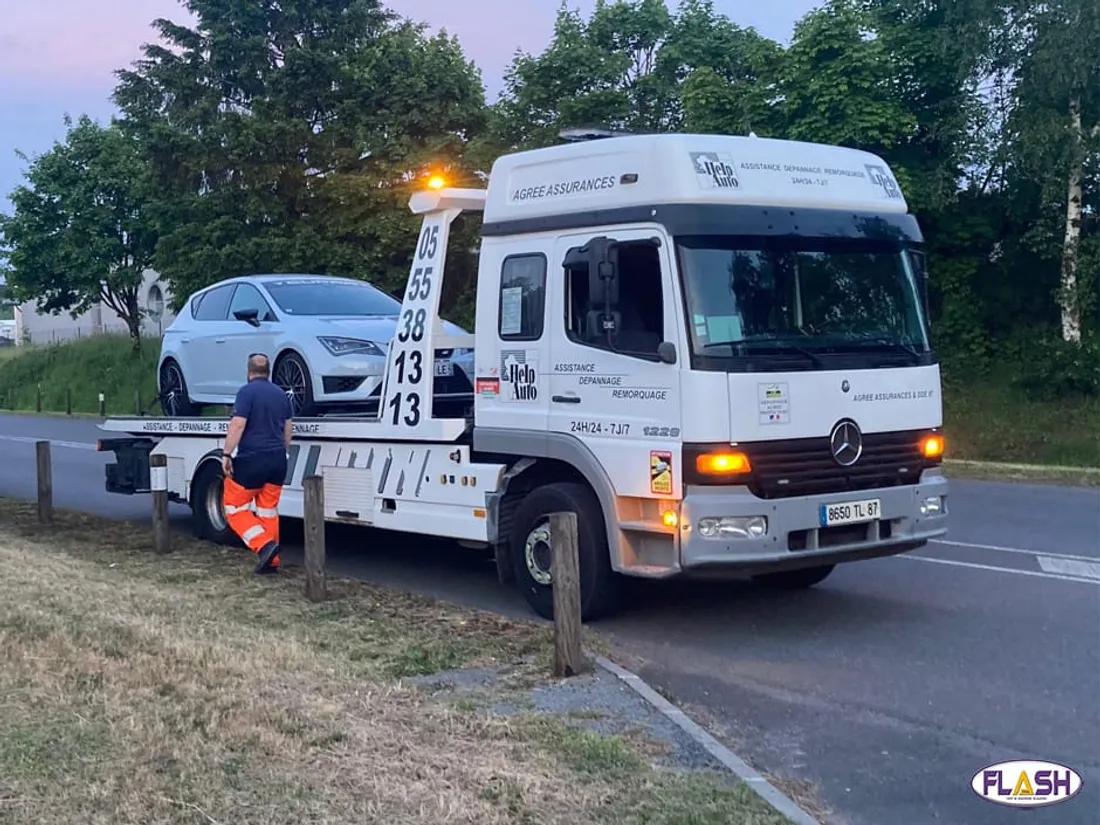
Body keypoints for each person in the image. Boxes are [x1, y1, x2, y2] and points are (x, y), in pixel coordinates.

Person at [221, 353, 293, 574]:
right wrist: (283, 451)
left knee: (233, 508)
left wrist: (226, 453)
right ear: (268, 371)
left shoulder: (246, 392)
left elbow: (238, 425)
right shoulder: (281, 394)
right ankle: (271, 562)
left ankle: (264, 546)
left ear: (248, 371)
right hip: (278, 460)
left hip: (253, 458)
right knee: (268, 510)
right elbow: (288, 429)